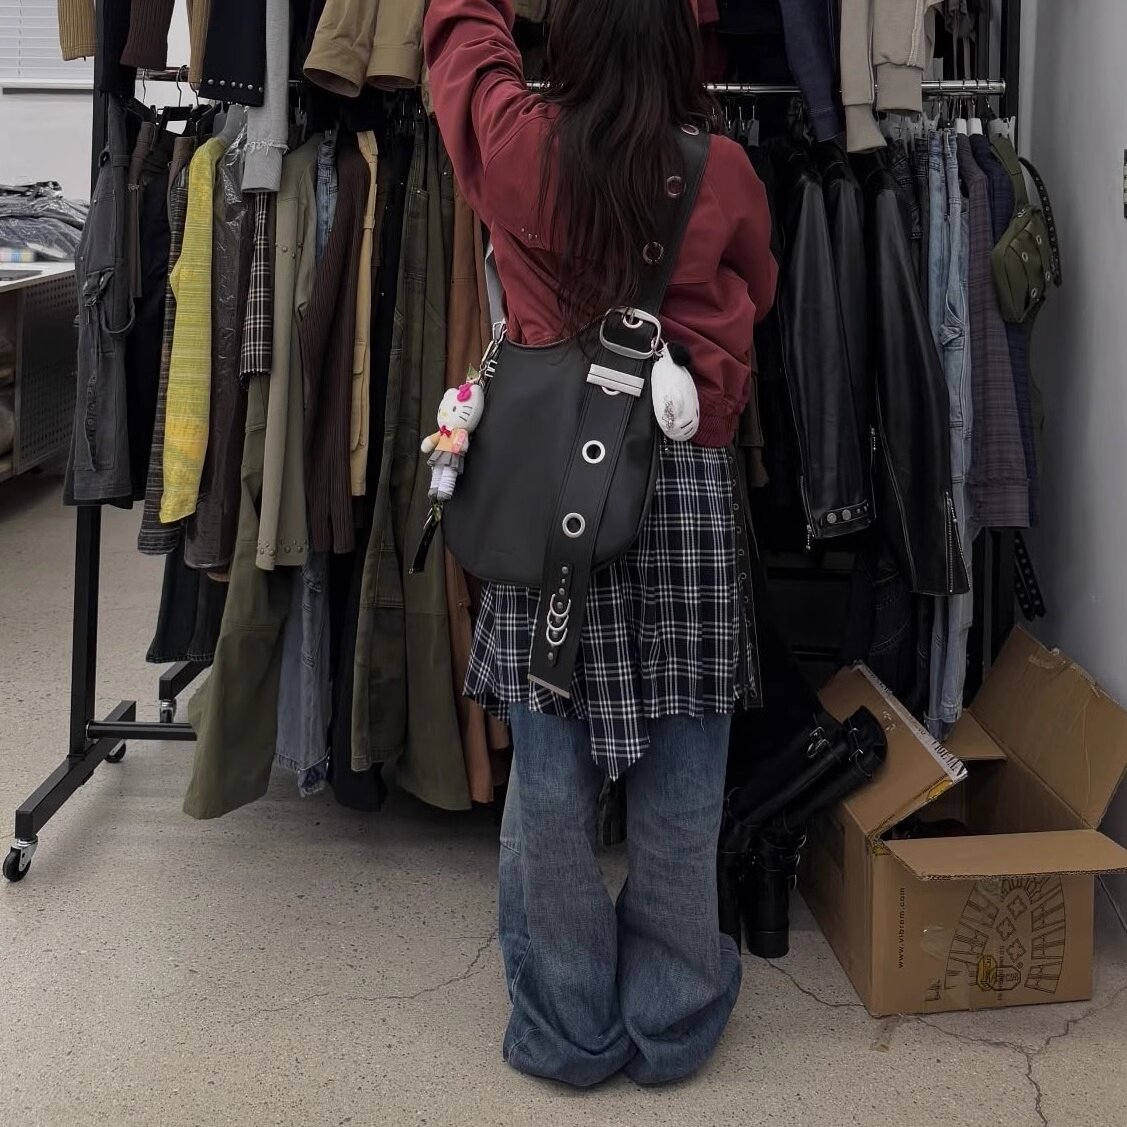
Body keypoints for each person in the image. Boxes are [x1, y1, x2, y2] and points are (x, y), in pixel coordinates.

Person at [424, 0, 776, 1088]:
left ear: (565, 44)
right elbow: (757, 291)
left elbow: (463, 58)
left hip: (554, 489)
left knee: (550, 767)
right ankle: (669, 1017)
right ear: (679, 47)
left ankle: (569, 1023)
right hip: (686, 492)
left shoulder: (519, 146)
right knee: (685, 764)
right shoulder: (723, 172)